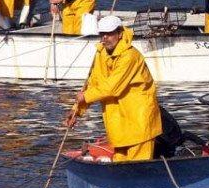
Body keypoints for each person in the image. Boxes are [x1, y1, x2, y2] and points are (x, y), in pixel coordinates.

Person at [66, 15, 162, 162]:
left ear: (120, 33)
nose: (105, 38)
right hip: (119, 124)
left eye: (109, 33)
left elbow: (112, 87)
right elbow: (94, 83)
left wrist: (85, 96)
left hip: (139, 121)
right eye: (102, 34)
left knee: (137, 167)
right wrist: (77, 109)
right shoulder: (101, 54)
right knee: (120, 164)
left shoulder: (130, 56)